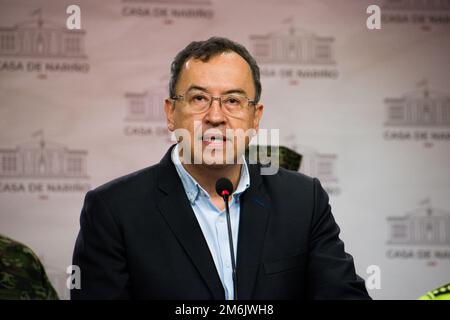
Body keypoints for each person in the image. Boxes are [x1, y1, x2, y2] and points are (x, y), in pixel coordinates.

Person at [71, 37, 370, 300]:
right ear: (171, 113)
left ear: (255, 118)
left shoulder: (304, 200)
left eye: (233, 101)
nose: (216, 116)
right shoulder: (112, 210)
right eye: (199, 98)